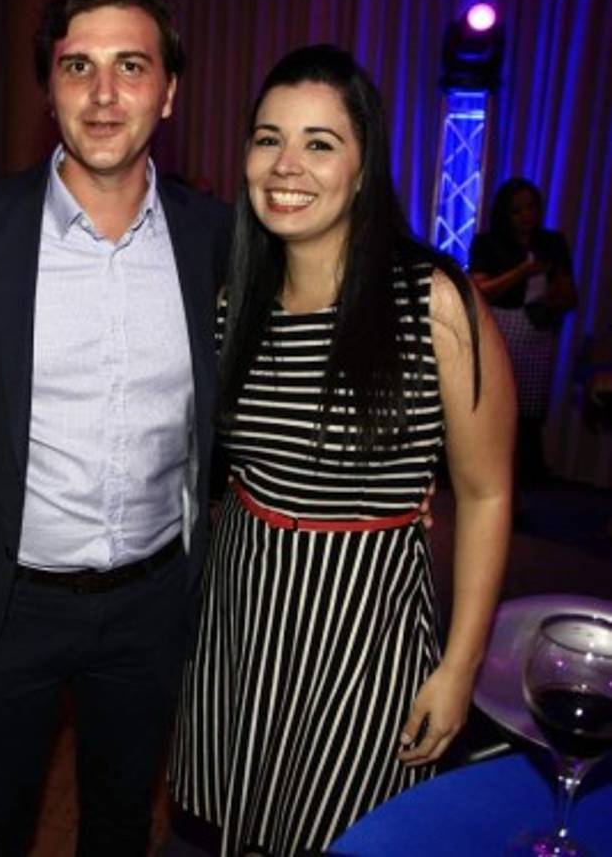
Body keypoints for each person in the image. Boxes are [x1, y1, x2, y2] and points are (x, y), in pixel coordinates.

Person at [168, 45, 515, 855]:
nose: (286, 165)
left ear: (362, 169)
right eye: (268, 139)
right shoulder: (233, 304)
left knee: (348, 830)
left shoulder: (433, 303)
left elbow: (488, 493)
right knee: (232, 823)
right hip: (241, 617)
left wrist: (459, 668)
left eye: (319, 143)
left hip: (364, 628)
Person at [0, 0, 231, 856]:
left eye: (131, 66)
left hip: (151, 602)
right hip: (7, 603)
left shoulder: (217, 238)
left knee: (119, 822)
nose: (104, 94)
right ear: (49, 88)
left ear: (168, 91)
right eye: (78, 67)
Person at [469, 178, 577, 483]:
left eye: (531, 207)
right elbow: (481, 290)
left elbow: (570, 293)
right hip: (502, 326)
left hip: (539, 329)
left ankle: (525, 472)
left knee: (530, 411)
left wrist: (558, 293)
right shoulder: (488, 243)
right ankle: (491, 470)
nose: (526, 215)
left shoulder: (552, 242)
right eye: (517, 210)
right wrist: (523, 271)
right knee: (498, 402)